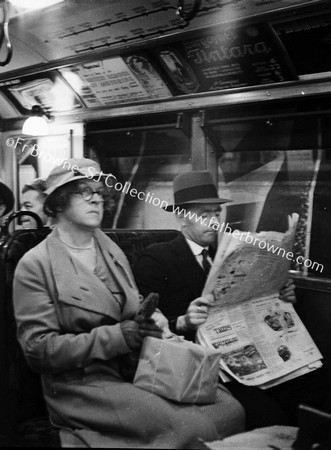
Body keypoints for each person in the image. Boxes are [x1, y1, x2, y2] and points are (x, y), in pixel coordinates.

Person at [13, 159, 245, 448]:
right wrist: (119, 336)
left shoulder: (108, 247)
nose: (97, 197)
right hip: (82, 383)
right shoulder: (35, 264)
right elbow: (39, 351)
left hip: (136, 364)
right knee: (194, 426)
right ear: (58, 202)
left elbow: (132, 304)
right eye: (85, 191)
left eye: (99, 192)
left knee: (229, 410)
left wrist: (155, 318)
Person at [133, 170, 330, 428]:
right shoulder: (156, 258)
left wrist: (283, 297)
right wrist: (182, 321)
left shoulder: (234, 252)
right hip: (209, 366)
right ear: (182, 217)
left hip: (259, 350)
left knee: (323, 384)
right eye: (204, 214)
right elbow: (146, 327)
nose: (214, 221)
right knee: (267, 413)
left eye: (217, 213)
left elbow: (260, 300)